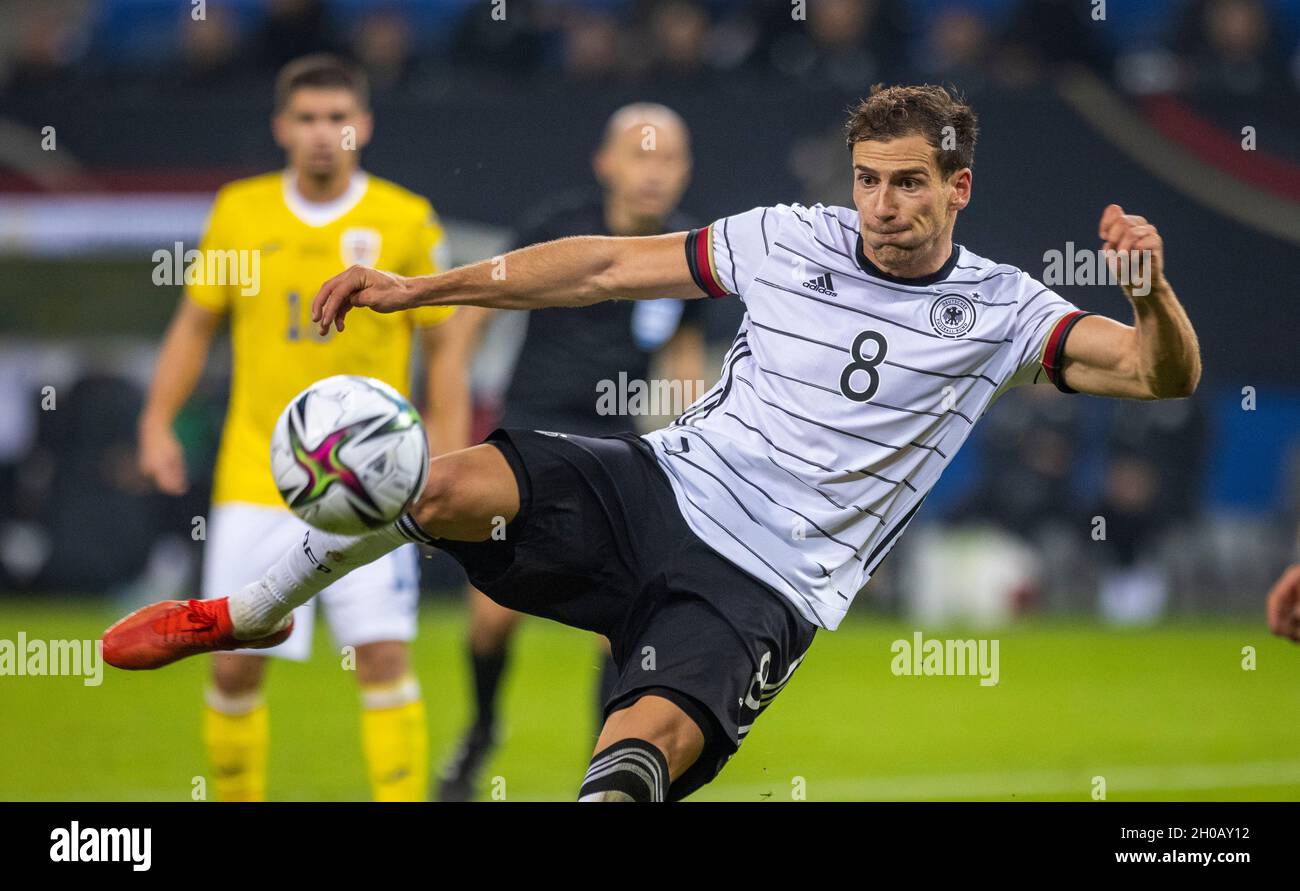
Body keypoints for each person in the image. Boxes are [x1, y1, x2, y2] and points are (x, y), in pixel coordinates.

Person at [105, 84, 1201, 801]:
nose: (882, 204)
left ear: (957, 187)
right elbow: (596, 265)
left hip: (767, 583)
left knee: (626, 774)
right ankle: (246, 610)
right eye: (868, 180)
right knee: (439, 482)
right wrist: (419, 287)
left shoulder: (1004, 311)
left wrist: (1149, 299)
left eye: (909, 182)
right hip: (661, 484)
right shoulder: (784, 237)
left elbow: (1158, 374)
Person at [133, 54, 470, 801]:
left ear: (365, 125)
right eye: (310, 119)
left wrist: (445, 456)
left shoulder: (405, 218)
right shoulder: (240, 211)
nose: (324, 134)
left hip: (375, 483)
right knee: (233, 660)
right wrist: (157, 420)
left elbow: (446, 345)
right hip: (260, 471)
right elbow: (195, 326)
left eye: (338, 118)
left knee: (382, 655)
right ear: (283, 127)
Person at [438, 103, 707, 801]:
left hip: (618, 449)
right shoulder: (560, 228)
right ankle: (480, 728)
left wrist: (696, 449)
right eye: (640, 155)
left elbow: (684, 364)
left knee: (621, 627)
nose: (654, 172)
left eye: (669, 158)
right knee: (494, 615)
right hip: (529, 432)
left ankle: (602, 775)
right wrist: (449, 434)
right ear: (606, 163)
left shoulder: (689, 255)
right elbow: (468, 322)